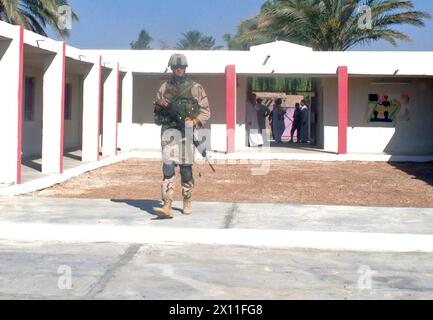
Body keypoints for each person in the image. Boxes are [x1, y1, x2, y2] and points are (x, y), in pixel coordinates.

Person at [153, 53, 211, 219]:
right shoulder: (164, 88)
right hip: (169, 132)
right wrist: (159, 105)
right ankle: (167, 204)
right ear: (172, 68)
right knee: (168, 167)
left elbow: (206, 111)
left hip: (186, 132)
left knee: (186, 168)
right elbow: (156, 114)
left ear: (185, 68)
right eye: (176, 67)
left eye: (182, 67)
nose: (179, 69)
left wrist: (193, 121)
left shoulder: (195, 88)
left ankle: (187, 199)